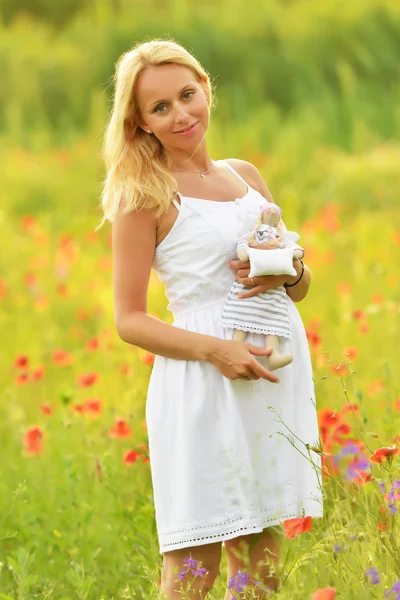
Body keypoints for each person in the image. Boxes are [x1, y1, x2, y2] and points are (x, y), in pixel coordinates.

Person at [99, 38, 323, 600]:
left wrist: (289, 275)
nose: (181, 114)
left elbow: (298, 283)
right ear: (140, 122)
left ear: (206, 90)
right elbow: (129, 320)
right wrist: (216, 350)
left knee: (262, 564)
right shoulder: (143, 196)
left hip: (271, 374)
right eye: (160, 107)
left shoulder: (245, 176)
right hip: (204, 382)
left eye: (187, 95)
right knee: (193, 566)